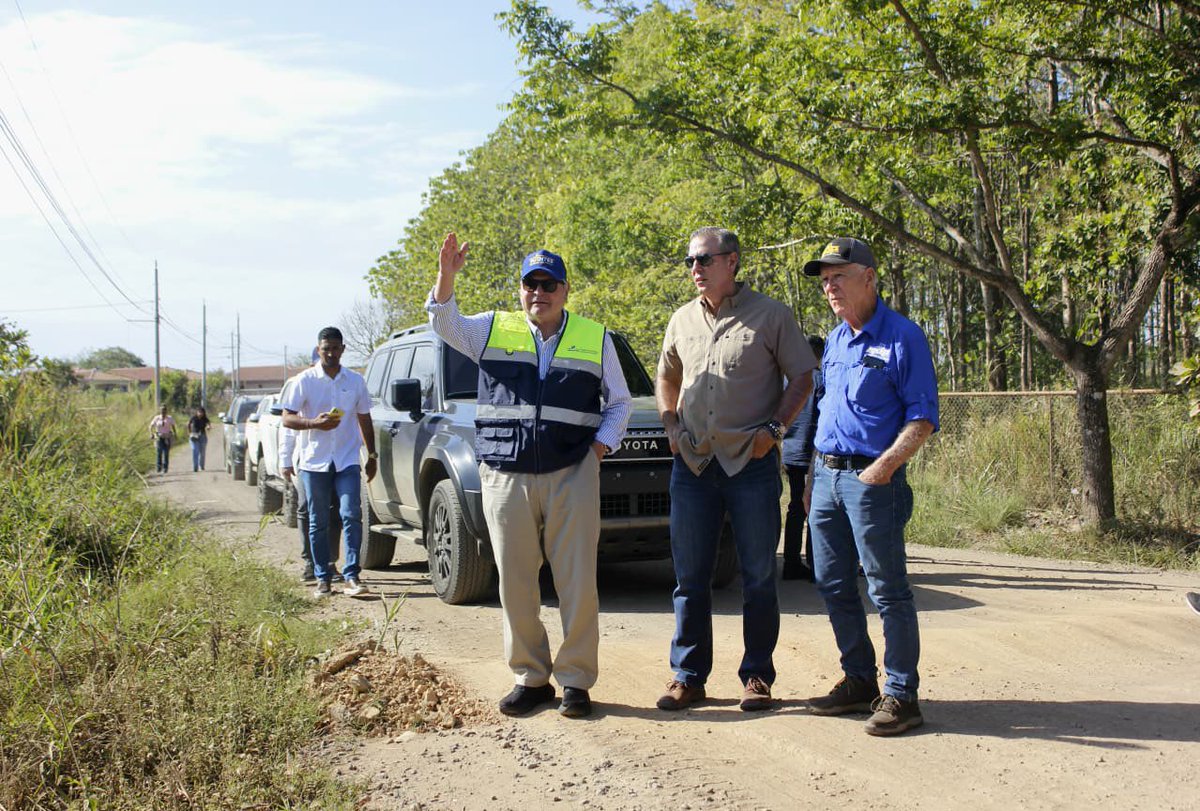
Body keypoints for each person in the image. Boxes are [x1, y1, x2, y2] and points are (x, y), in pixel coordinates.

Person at [427, 233, 632, 720]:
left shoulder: (594, 336)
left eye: (549, 284)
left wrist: (600, 449)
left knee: (577, 581)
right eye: (530, 284)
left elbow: (620, 402)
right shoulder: (492, 330)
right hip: (505, 474)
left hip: (572, 472)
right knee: (515, 581)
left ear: (564, 290)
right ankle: (531, 677)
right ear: (520, 289)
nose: (538, 292)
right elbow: (443, 322)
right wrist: (447, 276)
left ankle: (577, 681)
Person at [655, 226, 817, 713]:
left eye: (703, 259)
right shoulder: (681, 319)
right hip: (694, 464)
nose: (695, 269)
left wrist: (774, 429)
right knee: (690, 577)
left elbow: (804, 375)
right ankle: (688, 675)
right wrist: (671, 429)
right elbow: (666, 375)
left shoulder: (771, 315)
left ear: (732, 262)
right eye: (690, 261)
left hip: (751, 463)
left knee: (759, 575)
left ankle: (757, 676)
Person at [800, 237, 938, 736]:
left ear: (869, 278)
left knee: (887, 590)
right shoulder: (836, 340)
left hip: (871, 480)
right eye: (824, 279)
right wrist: (813, 474)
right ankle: (859, 680)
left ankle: (902, 695)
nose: (830, 286)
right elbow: (825, 412)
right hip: (826, 477)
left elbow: (922, 418)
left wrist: (882, 469)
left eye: (839, 275)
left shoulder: (903, 337)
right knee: (831, 582)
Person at [280, 327, 377, 599]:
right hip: (314, 462)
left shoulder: (355, 381)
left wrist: (372, 456)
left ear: (343, 349)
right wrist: (313, 423)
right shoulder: (305, 381)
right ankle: (322, 577)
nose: (331, 353)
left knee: (350, 514)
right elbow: (287, 418)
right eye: (326, 349)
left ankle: (352, 575)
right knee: (317, 520)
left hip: (346, 460)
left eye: (335, 348)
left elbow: (364, 419)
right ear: (318, 349)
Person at [280, 351, 342, 583]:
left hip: (335, 459)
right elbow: (287, 427)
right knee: (307, 509)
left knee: (334, 509)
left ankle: (330, 562)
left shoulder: (340, 384)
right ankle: (310, 562)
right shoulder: (302, 383)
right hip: (306, 459)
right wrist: (285, 460)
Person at [781, 335, 825, 581]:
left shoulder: (789, 381)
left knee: (795, 508)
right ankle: (815, 564)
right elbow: (823, 419)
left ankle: (790, 562)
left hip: (790, 451)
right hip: (812, 453)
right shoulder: (819, 380)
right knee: (815, 508)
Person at [149, 405, 176, 474]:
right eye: (162, 410)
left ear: (166, 411)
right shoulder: (157, 418)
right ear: (160, 411)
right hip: (159, 437)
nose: (163, 412)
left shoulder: (169, 418)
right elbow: (151, 426)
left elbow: (173, 426)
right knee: (159, 452)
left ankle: (165, 468)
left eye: (164, 410)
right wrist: (151, 433)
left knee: (166, 453)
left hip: (167, 437)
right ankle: (159, 467)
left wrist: (175, 434)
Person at [187, 406, 210, 472]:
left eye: (201, 412)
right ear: (197, 412)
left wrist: (208, 427)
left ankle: (202, 465)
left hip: (202, 436)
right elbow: (188, 424)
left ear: (203, 413)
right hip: (194, 436)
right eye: (199, 412)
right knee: (195, 450)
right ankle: (195, 467)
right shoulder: (193, 418)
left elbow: (208, 423)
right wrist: (189, 433)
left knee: (202, 452)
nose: (200, 413)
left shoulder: (205, 419)